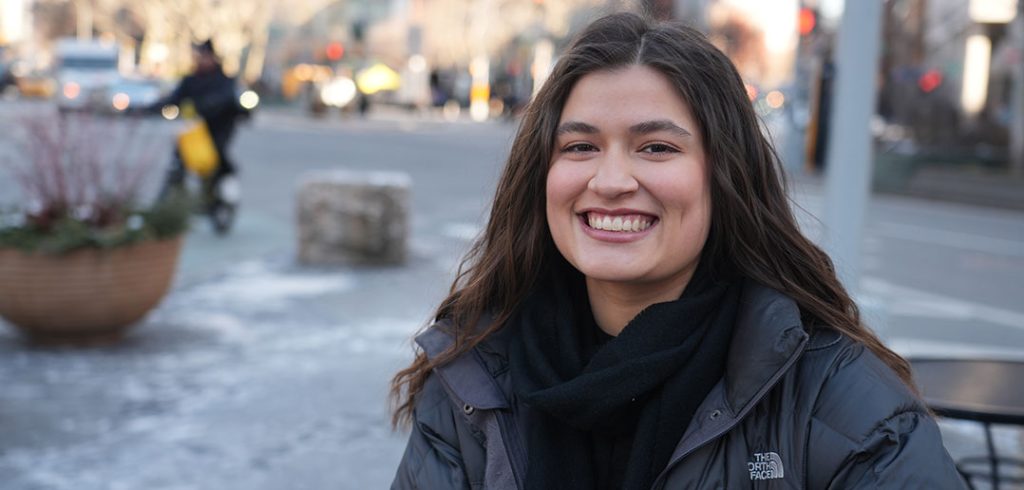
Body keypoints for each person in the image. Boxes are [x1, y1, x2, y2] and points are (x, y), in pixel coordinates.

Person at [390, 13, 965, 489]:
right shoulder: (471, 377)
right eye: (581, 145)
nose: (610, 179)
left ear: (724, 177)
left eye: (657, 147)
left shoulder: (837, 401)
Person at [152, 40, 247, 192]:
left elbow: (228, 100)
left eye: (203, 56)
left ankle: (218, 197)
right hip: (196, 130)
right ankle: (173, 198)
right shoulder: (191, 80)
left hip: (218, 129)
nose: (200, 60)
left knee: (215, 163)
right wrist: (154, 106)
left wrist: (207, 105)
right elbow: (175, 98)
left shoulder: (224, 81)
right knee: (179, 159)